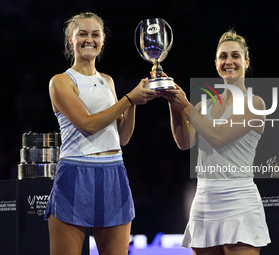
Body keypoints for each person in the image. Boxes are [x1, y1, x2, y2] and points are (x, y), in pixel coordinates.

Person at [44, 12, 158, 255]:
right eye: (82, 34)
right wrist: (129, 98)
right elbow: (88, 124)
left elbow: (123, 138)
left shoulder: (107, 81)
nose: (89, 39)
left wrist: (135, 103)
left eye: (95, 34)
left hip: (114, 171)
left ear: (103, 40)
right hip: (75, 173)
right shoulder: (61, 82)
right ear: (70, 39)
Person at [162, 30, 271, 255]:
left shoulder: (255, 103)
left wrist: (185, 106)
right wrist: (173, 103)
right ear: (215, 63)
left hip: (239, 200)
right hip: (204, 202)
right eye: (223, 56)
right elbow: (184, 142)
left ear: (246, 62)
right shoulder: (204, 107)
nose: (228, 61)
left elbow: (218, 137)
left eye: (235, 56)